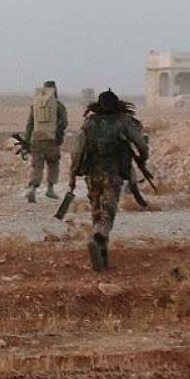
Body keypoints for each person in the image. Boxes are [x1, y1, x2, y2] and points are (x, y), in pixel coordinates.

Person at [68, 89, 149, 271]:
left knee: (96, 210)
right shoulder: (123, 121)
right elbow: (141, 144)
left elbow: (77, 152)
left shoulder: (89, 123)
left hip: (92, 174)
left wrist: (73, 173)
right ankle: (99, 236)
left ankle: (102, 254)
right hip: (112, 174)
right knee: (108, 212)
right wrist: (143, 158)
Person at [23, 80, 69, 203]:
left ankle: (32, 188)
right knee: (53, 163)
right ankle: (50, 188)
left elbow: (30, 124)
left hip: (36, 139)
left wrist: (26, 140)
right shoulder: (58, 105)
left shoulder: (36, 105)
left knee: (37, 165)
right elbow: (64, 123)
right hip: (51, 140)